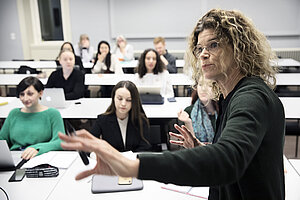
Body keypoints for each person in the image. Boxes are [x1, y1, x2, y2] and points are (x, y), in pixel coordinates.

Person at [59, 9, 285, 200]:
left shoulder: (251, 98)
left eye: (213, 45)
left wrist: (133, 166)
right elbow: (242, 158)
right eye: (199, 48)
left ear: (239, 48)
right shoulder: (230, 97)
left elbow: (229, 160)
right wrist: (203, 151)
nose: (203, 54)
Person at [0, 77, 65, 160]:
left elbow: (60, 142)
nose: (25, 98)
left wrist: (37, 148)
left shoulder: (52, 114)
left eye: (30, 94)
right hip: (16, 156)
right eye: (22, 94)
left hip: (41, 156)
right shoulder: (14, 113)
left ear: (40, 93)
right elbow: (2, 139)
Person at [90, 80, 151, 152]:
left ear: (134, 101)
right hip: (110, 161)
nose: (123, 103)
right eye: (119, 99)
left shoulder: (141, 120)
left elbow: (145, 146)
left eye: (129, 100)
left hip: (133, 161)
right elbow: (89, 144)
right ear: (113, 98)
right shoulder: (102, 120)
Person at [175, 78, 218, 143]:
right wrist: (188, 122)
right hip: (199, 152)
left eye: (209, 85)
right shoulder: (189, 111)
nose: (203, 89)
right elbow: (191, 145)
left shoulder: (224, 110)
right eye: (200, 85)